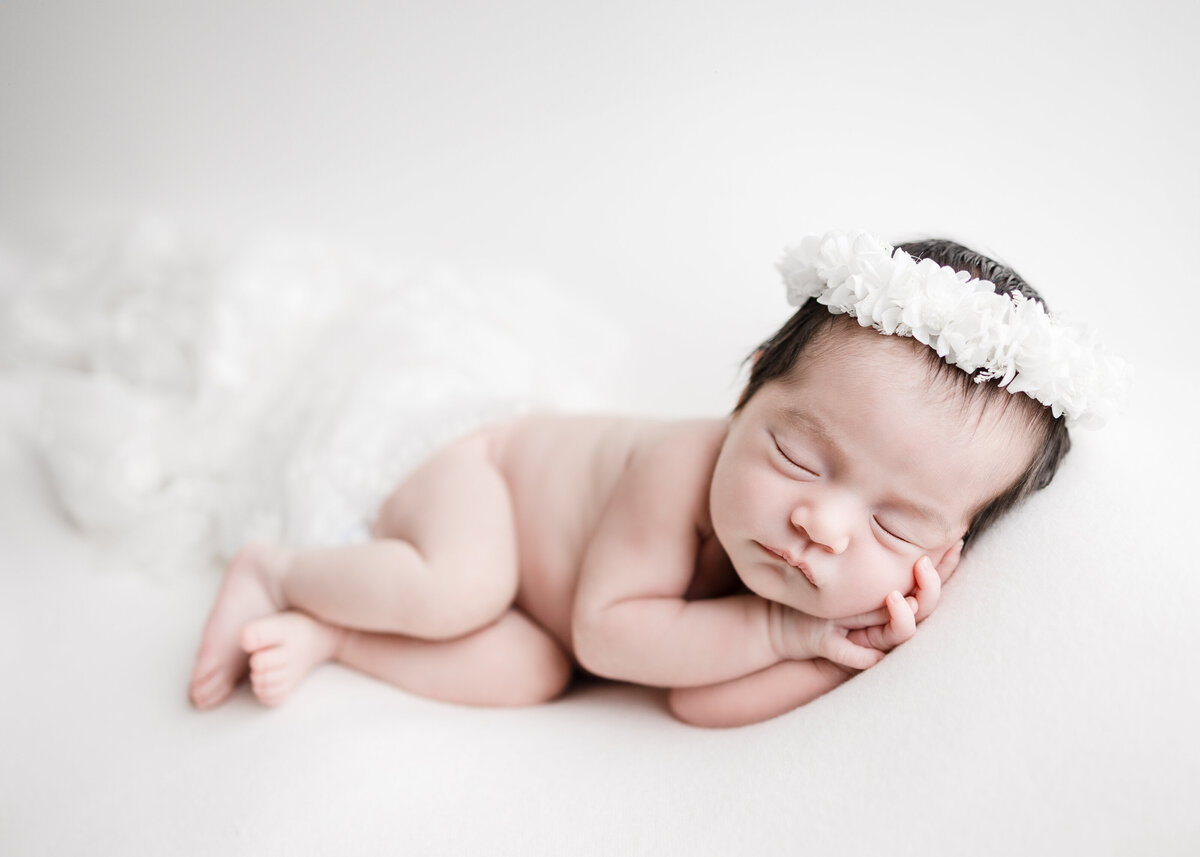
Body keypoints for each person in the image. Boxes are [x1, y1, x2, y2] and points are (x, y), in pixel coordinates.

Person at [187, 230, 1125, 727]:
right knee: (458, 588)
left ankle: (333, 634)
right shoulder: (681, 467)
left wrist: (838, 651)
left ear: (949, 549)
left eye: (897, 527)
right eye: (798, 455)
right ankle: (279, 570)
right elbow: (610, 631)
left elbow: (699, 700)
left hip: (553, 624)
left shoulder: (817, 588)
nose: (824, 526)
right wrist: (778, 625)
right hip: (482, 479)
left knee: (530, 672)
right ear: (752, 382)